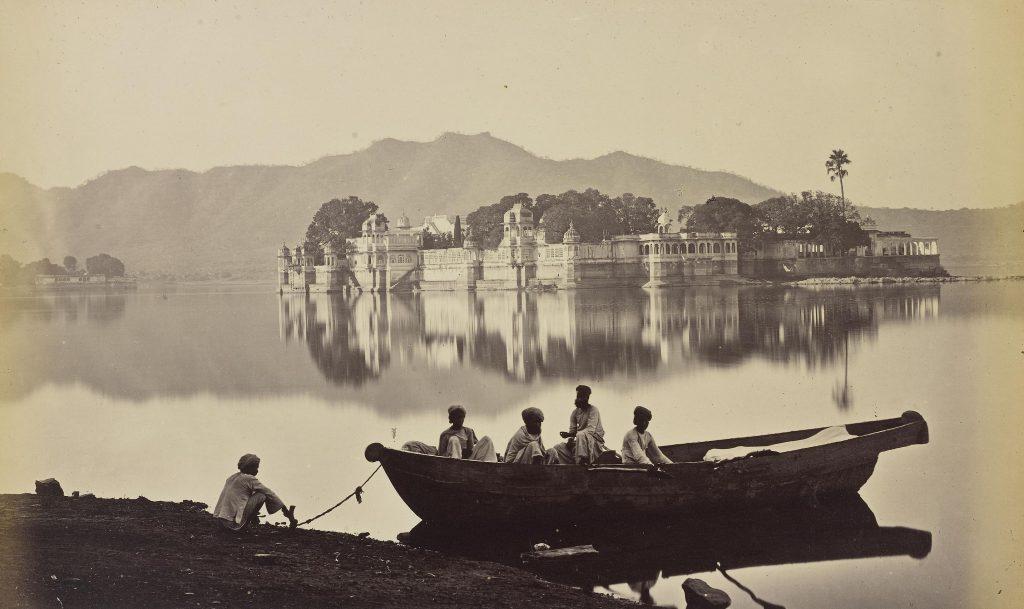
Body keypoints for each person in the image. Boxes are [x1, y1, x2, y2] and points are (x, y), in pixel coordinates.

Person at [214, 453, 297, 531]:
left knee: (252, 494)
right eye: (256, 467)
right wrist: (285, 511)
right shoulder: (249, 478)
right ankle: (246, 524)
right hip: (231, 526)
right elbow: (269, 493)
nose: (257, 470)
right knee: (262, 495)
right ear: (250, 467)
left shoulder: (232, 477)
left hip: (219, 523)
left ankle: (252, 519)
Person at [402, 405, 498, 462]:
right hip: (452, 461)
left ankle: (491, 465)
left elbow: (471, 450)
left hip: (468, 461)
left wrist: (466, 452)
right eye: (458, 417)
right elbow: (441, 455)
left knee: (487, 439)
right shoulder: (445, 434)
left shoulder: (468, 431)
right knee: (454, 439)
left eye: (462, 417)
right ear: (452, 419)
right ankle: (456, 466)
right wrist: (457, 452)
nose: (461, 420)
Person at [549, 385, 607, 465]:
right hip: (580, 443)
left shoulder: (593, 410)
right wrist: (570, 439)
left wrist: (570, 434)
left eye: (582, 397)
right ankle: (571, 463)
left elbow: (590, 430)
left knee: (581, 434)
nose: (579, 399)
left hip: (594, 442)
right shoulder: (575, 412)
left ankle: (583, 460)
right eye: (578, 396)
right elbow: (572, 430)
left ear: (587, 398)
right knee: (558, 447)